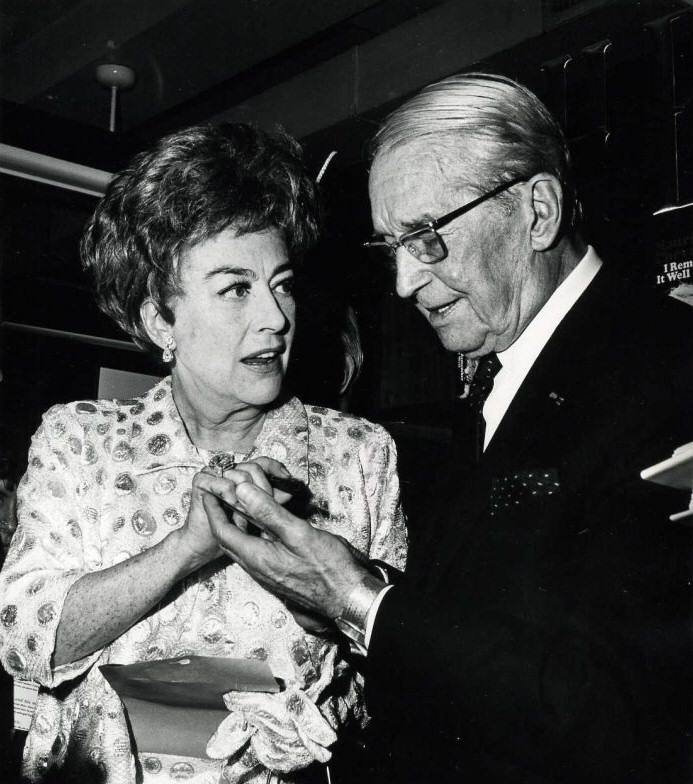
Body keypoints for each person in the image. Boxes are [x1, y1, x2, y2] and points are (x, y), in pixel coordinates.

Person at [199, 73, 693, 783]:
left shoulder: (669, 367)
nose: (403, 282)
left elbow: (627, 709)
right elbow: (504, 613)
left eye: (427, 238)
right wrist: (342, 588)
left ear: (538, 211)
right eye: (389, 247)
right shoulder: (504, 372)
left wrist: (361, 602)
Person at [0, 123, 406, 784]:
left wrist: (325, 738)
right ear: (163, 321)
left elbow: (400, 669)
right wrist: (187, 548)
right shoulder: (81, 440)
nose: (275, 318)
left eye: (282, 283)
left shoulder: (357, 456)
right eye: (236, 289)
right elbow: (25, 640)